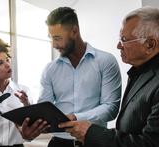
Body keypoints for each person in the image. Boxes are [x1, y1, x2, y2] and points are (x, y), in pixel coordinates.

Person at [59, 6, 159, 147]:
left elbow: (154, 143)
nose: (118, 45)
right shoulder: (141, 72)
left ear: (149, 44)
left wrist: (91, 133)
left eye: (124, 39)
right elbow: (131, 129)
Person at [37, 7, 121, 147]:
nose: (53, 45)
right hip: (58, 143)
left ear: (74, 32)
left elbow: (110, 108)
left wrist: (76, 117)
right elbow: (44, 106)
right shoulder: (49, 69)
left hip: (94, 141)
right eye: (51, 38)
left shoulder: (106, 61)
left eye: (57, 38)